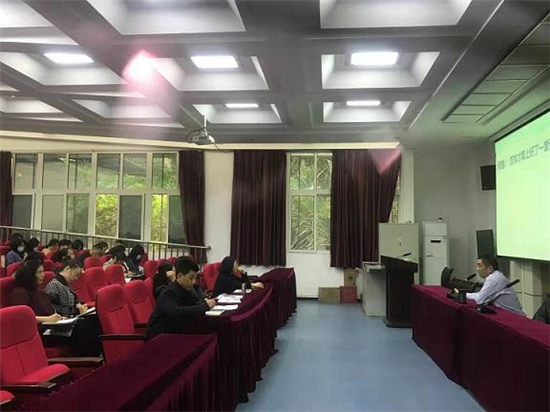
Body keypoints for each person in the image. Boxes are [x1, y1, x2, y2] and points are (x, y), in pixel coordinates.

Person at [146, 258, 216, 339]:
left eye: (195, 278)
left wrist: (204, 303)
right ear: (179, 276)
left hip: (176, 332)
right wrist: (204, 306)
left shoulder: (187, 289)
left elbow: (196, 302)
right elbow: (175, 311)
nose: (193, 282)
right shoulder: (168, 293)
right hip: (160, 337)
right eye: (191, 278)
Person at [459, 255, 525, 316]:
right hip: (508, 315)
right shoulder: (494, 276)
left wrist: (462, 294)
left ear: (490, 269)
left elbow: (479, 300)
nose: (477, 269)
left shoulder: (494, 278)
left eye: (479, 266)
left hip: (517, 318)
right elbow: (484, 299)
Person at [10, 260, 63, 325]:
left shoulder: (38, 291)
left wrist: (59, 318)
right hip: (36, 327)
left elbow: (50, 312)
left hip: (50, 324)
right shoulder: (19, 293)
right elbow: (22, 316)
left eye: (43, 272)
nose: (43, 275)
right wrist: (47, 319)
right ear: (30, 274)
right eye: (39, 272)